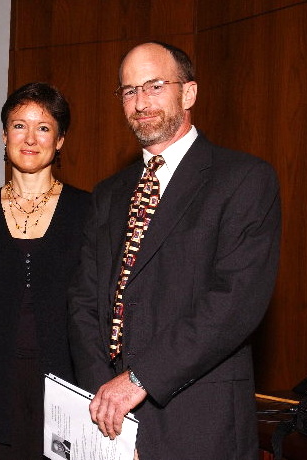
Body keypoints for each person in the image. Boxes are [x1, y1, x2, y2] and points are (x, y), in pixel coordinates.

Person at [68, 41, 281, 460]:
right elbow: (83, 302)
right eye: (129, 91)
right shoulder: (108, 194)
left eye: (154, 86)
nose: (140, 102)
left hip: (200, 423)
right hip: (109, 421)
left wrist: (139, 381)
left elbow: (235, 303)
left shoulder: (245, 179)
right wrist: (107, 402)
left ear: (189, 93)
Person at [0, 82, 90, 459]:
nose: (30, 138)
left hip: (69, 391)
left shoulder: (90, 213)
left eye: (43, 127)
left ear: (60, 140)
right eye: (18, 125)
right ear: (4, 135)